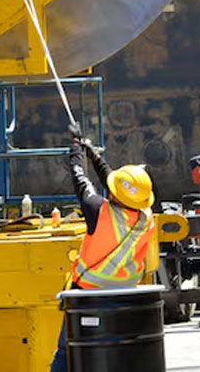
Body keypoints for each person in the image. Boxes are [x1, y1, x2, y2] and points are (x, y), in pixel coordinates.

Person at [50, 122, 157, 372]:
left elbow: (79, 176)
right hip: (125, 296)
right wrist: (95, 155)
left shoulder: (98, 211)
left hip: (88, 295)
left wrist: (76, 146)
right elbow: (115, 184)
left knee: (66, 351)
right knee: (116, 354)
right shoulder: (146, 216)